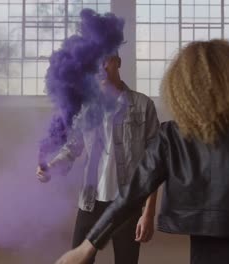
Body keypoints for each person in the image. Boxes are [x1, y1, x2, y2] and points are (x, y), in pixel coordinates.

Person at [55, 39, 229, 264]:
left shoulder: (171, 135)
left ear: (180, 86)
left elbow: (130, 193)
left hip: (205, 251)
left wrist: (88, 246)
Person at [37, 51, 160, 264]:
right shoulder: (87, 108)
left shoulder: (143, 105)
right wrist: (51, 167)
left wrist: (148, 213)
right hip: (91, 202)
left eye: (107, 60)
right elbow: (71, 149)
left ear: (118, 62)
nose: (101, 67)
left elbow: (155, 163)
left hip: (128, 203)